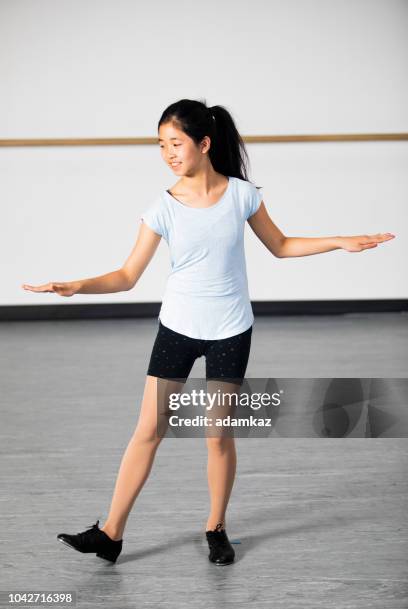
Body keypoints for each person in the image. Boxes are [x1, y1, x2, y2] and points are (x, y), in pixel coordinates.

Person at [22, 98, 395, 565]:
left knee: (217, 436)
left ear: (204, 143)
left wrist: (339, 241)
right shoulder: (162, 207)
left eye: (175, 143)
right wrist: (78, 286)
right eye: (161, 145)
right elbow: (127, 276)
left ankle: (216, 527)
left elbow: (280, 246)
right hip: (177, 329)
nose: (168, 153)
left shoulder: (241, 194)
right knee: (148, 431)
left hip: (230, 331)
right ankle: (110, 533)